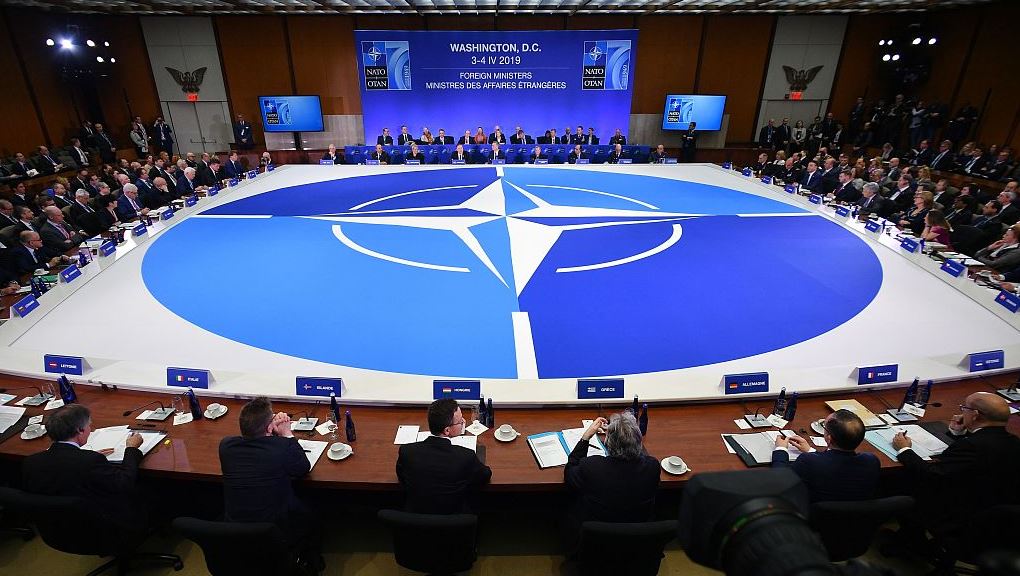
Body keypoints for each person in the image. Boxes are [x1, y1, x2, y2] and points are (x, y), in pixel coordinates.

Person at [890, 392, 1020, 548]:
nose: (961, 412)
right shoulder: (1014, 442)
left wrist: (904, 450)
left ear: (975, 415)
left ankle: (910, 539)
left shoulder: (972, 446)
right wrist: (958, 434)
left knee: (899, 482)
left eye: (964, 408)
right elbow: (976, 461)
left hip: (961, 516)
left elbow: (933, 474)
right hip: (997, 511)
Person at [219, 397, 321, 571]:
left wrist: (271, 434)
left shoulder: (226, 446)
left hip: (235, 531)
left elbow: (260, 450)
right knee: (313, 506)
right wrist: (287, 434)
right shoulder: (282, 448)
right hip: (277, 531)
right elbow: (302, 468)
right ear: (268, 428)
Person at [22, 404, 149, 534]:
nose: (90, 429)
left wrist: (87, 457)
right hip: (102, 528)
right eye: (89, 425)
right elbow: (124, 482)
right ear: (80, 431)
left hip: (55, 531)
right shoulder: (90, 461)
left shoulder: (31, 462)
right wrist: (131, 449)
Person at [563, 412, 659, 549]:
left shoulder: (592, 467)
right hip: (636, 543)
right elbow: (642, 458)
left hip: (595, 543)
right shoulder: (652, 467)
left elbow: (570, 472)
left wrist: (585, 437)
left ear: (608, 443)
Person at [395, 399, 491, 514]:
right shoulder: (466, 456)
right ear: (447, 430)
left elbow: (401, 477)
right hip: (454, 518)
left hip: (415, 516)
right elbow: (485, 475)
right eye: (460, 422)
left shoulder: (407, 451)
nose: (463, 423)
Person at [771, 409, 880, 502]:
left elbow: (780, 482)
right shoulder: (871, 461)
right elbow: (831, 462)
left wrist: (781, 449)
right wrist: (810, 450)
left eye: (824, 426)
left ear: (829, 438)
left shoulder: (808, 462)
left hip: (810, 517)